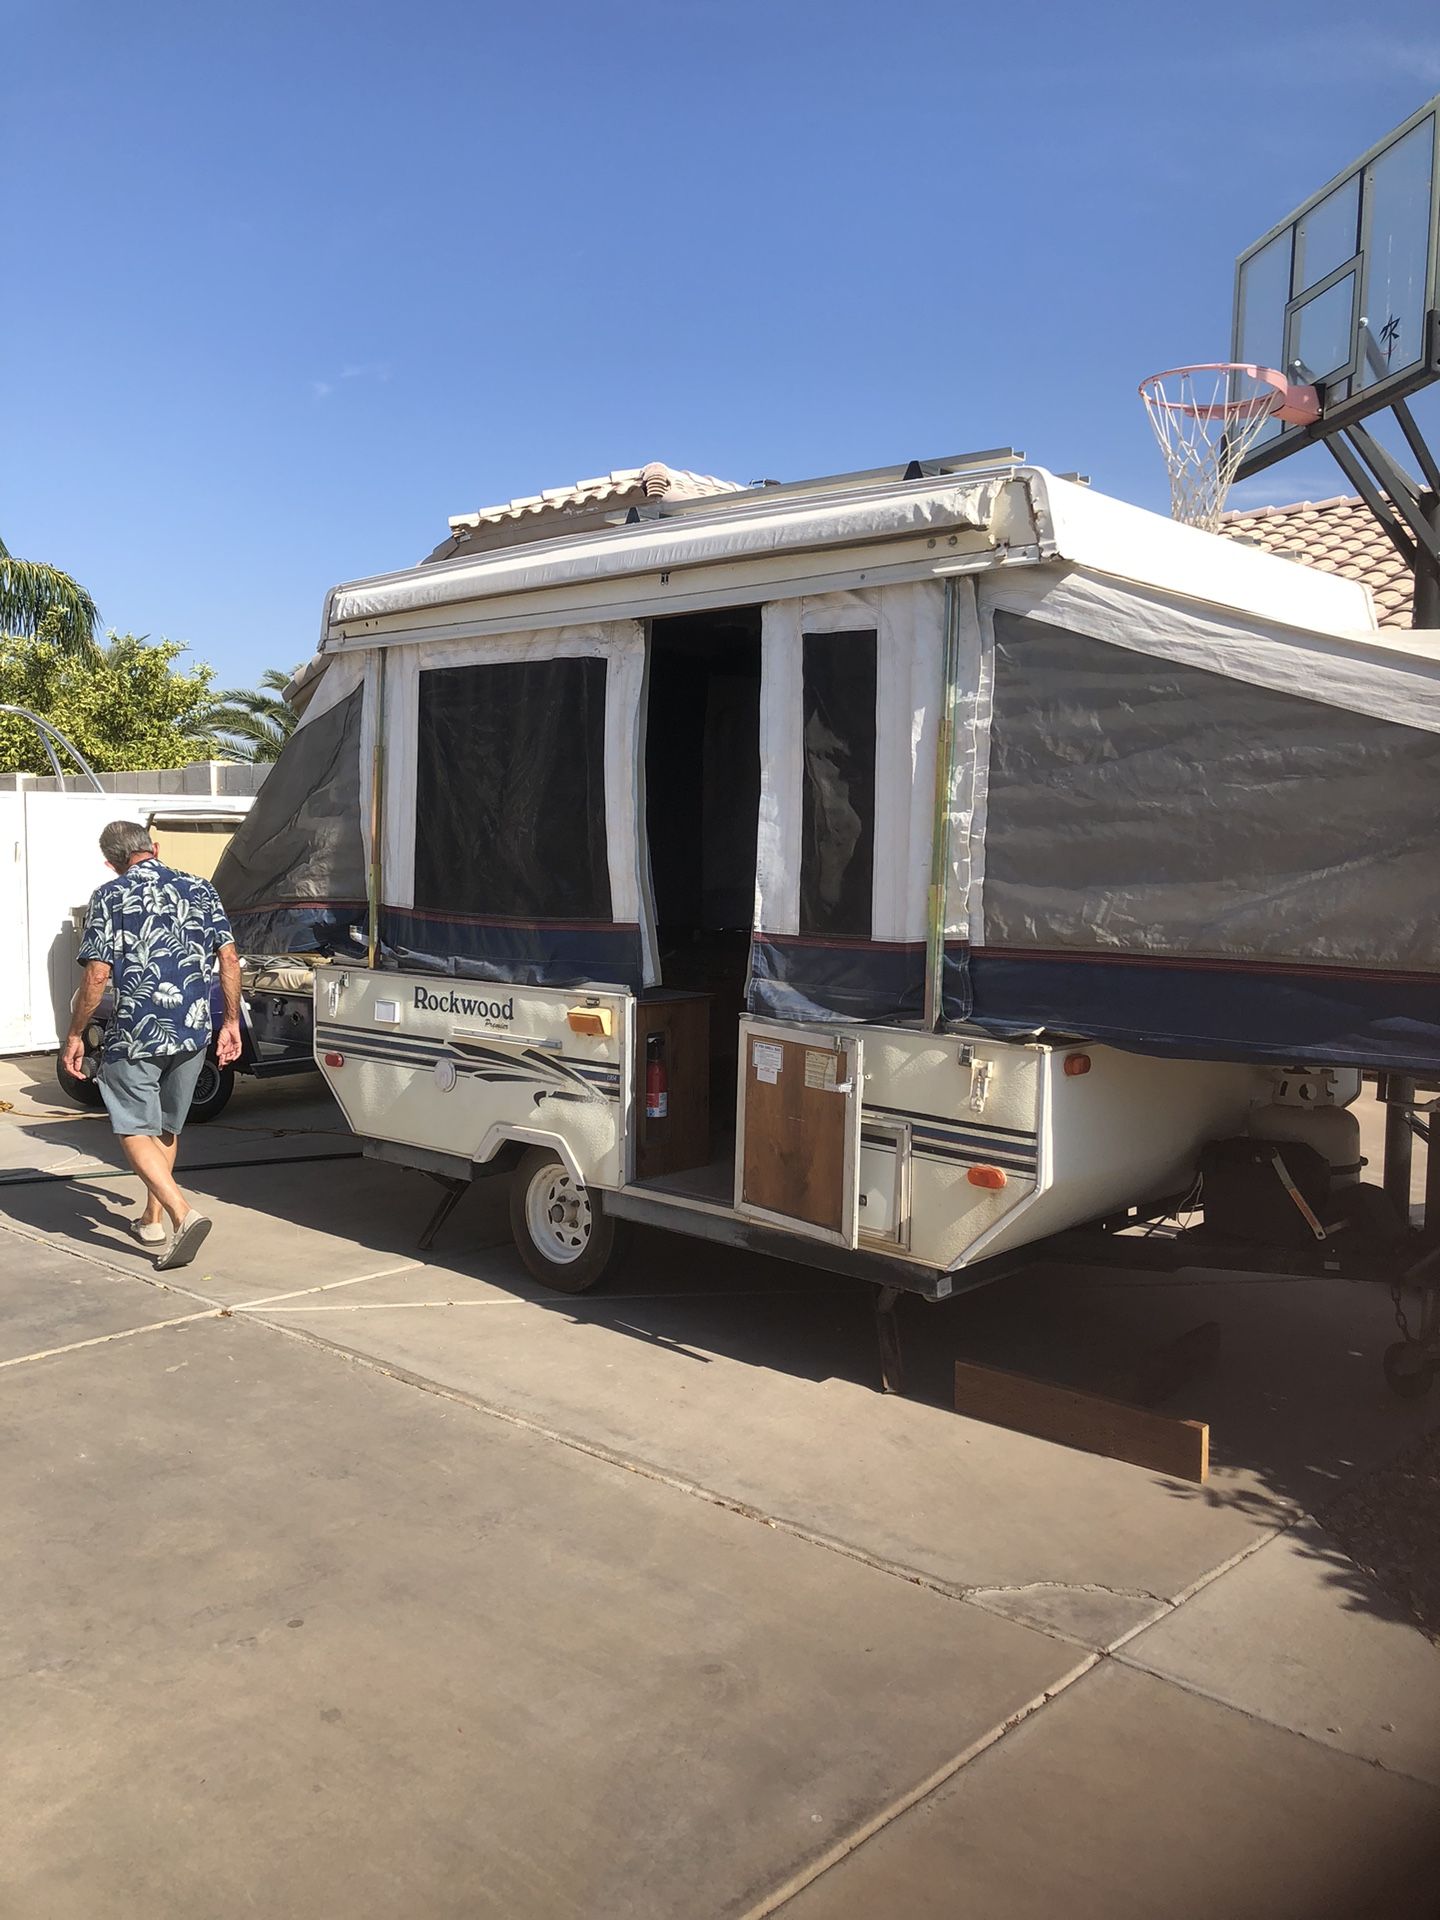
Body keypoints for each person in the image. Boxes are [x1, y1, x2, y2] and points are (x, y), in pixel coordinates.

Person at [62, 820, 242, 1270]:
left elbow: (98, 974)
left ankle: (182, 1213)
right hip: (194, 1028)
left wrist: (74, 1034)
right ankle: (151, 1218)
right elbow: (229, 959)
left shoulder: (110, 895)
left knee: (131, 1126)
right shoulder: (201, 888)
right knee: (164, 1124)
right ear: (154, 848)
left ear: (111, 862)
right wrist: (231, 1023)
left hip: (138, 1031)